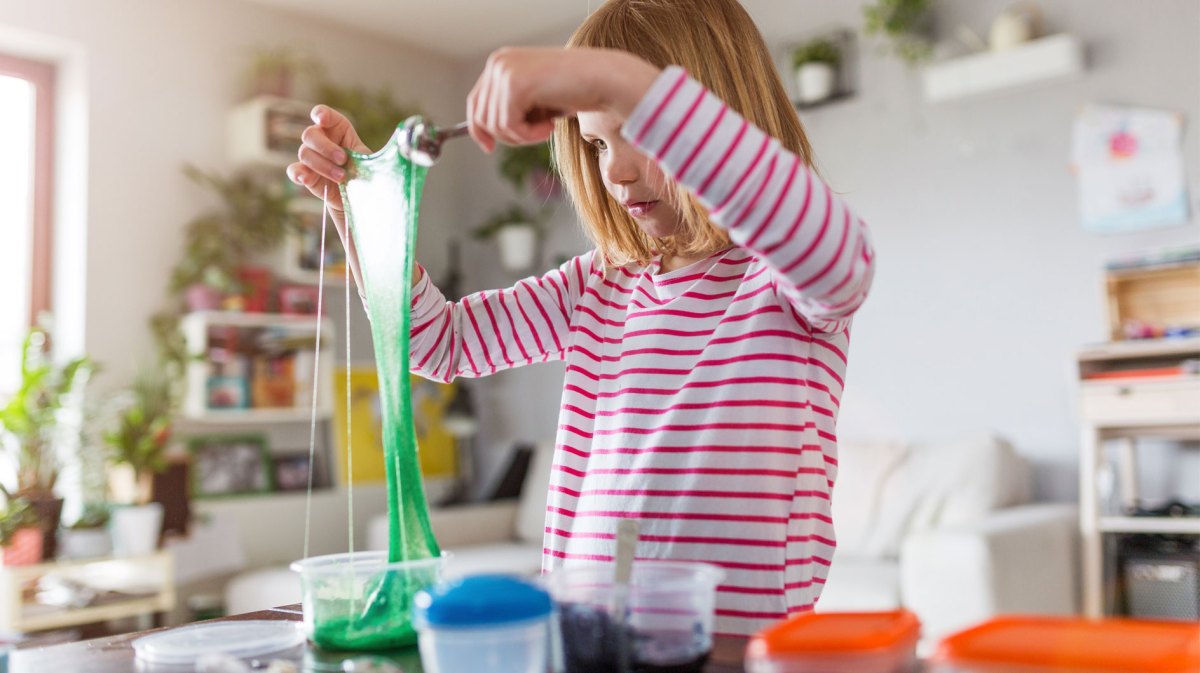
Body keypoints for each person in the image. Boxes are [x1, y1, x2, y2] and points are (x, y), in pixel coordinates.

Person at [289, 0, 874, 638]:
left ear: (718, 120)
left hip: (734, 651)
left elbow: (837, 253)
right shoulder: (599, 284)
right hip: (585, 640)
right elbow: (436, 342)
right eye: (596, 141)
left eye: (642, 133)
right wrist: (363, 213)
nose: (616, 170)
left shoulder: (781, 280)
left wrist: (619, 83)